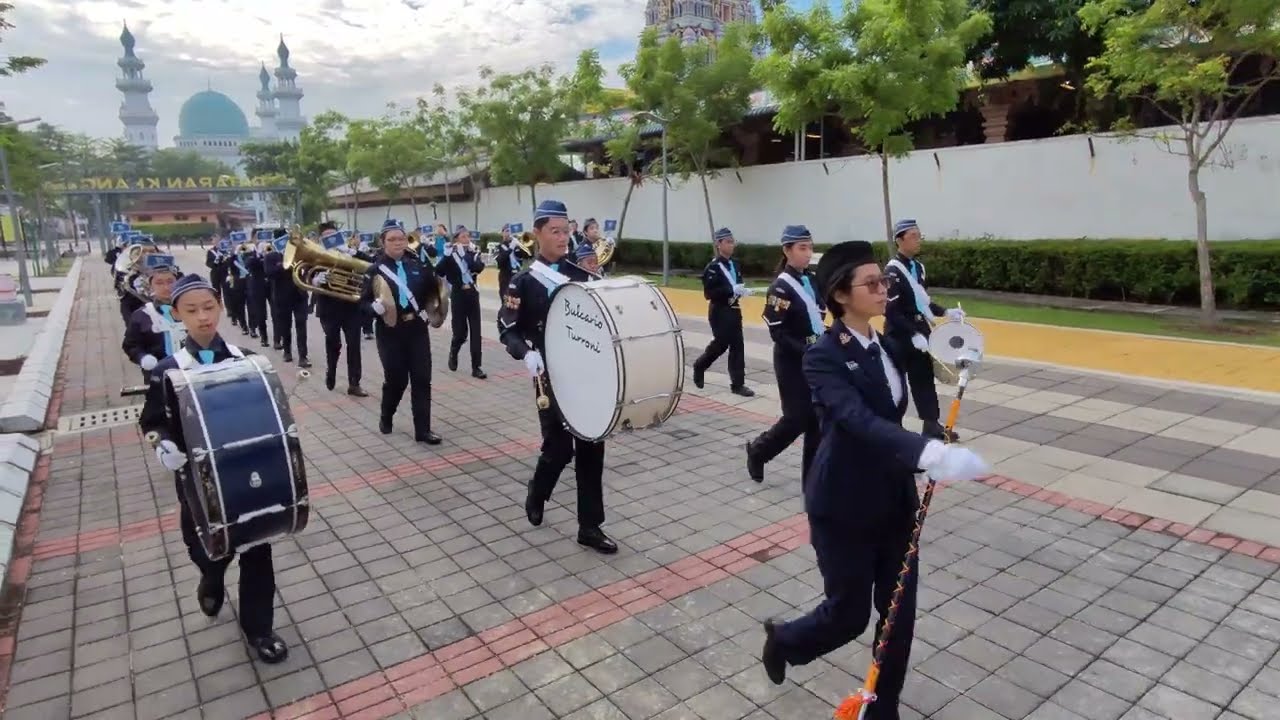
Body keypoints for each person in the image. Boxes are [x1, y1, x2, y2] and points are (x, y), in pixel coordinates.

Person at [759, 241, 989, 718]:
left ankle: (883, 710)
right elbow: (855, 417)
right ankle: (785, 641)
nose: (884, 289)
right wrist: (923, 451)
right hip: (842, 503)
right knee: (848, 616)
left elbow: (922, 378)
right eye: (873, 283)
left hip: (895, 501)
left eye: (883, 281)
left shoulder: (886, 346)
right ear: (842, 295)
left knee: (898, 618)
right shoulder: (821, 357)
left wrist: (957, 353)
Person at [138, 273, 289, 664]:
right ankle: (211, 575)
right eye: (192, 311)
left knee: (257, 550)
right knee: (205, 548)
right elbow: (152, 421)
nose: (203, 318)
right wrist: (162, 444)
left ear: (220, 307)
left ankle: (259, 629)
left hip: (246, 473)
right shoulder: (169, 369)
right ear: (177, 315)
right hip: (198, 480)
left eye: (209, 308)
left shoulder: (248, 362)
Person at [498, 199, 616, 555]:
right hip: (547, 373)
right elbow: (506, 328)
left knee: (592, 446)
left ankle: (590, 526)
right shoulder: (523, 282)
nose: (564, 238)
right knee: (559, 447)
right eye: (555, 231)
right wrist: (525, 353)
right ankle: (538, 489)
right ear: (538, 233)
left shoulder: (580, 274)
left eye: (566, 231)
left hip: (586, 373)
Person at [747, 225, 823, 484]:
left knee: (817, 418)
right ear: (787, 250)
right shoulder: (781, 288)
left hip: (816, 357)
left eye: (810, 247)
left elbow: (821, 316)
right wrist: (806, 349)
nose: (808, 253)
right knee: (796, 418)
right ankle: (759, 451)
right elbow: (777, 331)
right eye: (802, 248)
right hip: (792, 360)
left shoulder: (811, 280)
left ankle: (812, 478)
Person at [359, 218, 443, 445]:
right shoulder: (374, 270)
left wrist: (432, 309)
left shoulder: (418, 265)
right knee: (396, 380)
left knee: (422, 379)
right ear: (383, 242)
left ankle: (423, 431)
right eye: (392, 239)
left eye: (401, 238)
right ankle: (387, 415)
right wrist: (372, 308)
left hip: (416, 329)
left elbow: (433, 293)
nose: (398, 243)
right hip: (390, 331)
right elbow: (362, 303)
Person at [883, 219, 965, 442]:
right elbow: (890, 310)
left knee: (924, 380)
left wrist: (946, 312)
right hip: (899, 336)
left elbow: (923, 302)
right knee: (897, 384)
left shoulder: (919, 268)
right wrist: (912, 333)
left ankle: (931, 425)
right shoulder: (892, 271)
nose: (918, 240)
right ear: (900, 240)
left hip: (921, 332)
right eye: (913, 236)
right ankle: (892, 427)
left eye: (919, 236)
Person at [692, 227, 754, 397]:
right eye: (728, 242)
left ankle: (738, 384)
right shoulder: (713, 268)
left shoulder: (735, 264)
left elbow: (738, 283)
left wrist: (742, 291)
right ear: (719, 244)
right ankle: (700, 365)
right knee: (721, 344)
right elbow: (709, 293)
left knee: (737, 346)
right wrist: (730, 289)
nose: (732, 245)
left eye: (733, 242)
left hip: (734, 309)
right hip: (719, 311)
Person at [313, 222, 370, 397]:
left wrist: (351, 252)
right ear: (321, 239)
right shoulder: (315, 255)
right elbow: (305, 275)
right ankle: (331, 372)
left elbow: (370, 265)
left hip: (351, 306)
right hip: (328, 307)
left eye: (333, 235)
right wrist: (317, 279)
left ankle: (354, 383)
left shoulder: (348, 251)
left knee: (354, 345)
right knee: (333, 343)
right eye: (327, 236)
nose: (331, 239)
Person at [435, 225, 487, 379]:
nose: (467, 239)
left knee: (476, 332)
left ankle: (476, 367)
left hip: (472, 293)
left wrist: (467, 255)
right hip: (458, 294)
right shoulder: (450, 255)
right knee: (460, 332)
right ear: (456, 239)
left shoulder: (472, 252)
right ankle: (454, 350)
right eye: (463, 236)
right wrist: (446, 255)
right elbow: (439, 271)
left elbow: (479, 267)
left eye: (468, 236)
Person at [122, 264, 184, 384]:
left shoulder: (191, 310)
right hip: (157, 375)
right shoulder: (142, 315)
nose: (166, 287)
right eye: (159, 283)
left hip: (190, 372)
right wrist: (142, 357)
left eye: (170, 281)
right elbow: (130, 345)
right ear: (151, 286)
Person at [264, 233, 311, 367]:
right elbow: (269, 272)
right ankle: (287, 351)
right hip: (281, 296)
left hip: (299, 294)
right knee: (285, 326)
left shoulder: (299, 252)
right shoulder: (271, 256)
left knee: (301, 325)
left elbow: (308, 267)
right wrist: (285, 263)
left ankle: (303, 356)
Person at [244, 240, 271, 348]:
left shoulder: (273, 255)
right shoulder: (252, 257)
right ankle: (264, 338)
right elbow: (249, 264)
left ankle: (278, 339)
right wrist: (260, 255)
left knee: (276, 313)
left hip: (271, 287)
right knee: (261, 314)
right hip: (257, 288)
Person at [494, 224, 528, 302]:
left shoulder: (517, 245)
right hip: (505, 276)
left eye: (510, 231)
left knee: (519, 300)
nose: (509, 233)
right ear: (502, 233)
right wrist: (510, 249)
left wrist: (521, 245)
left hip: (518, 275)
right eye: (507, 231)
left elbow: (528, 255)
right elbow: (500, 261)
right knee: (506, 301)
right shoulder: (498, 247)